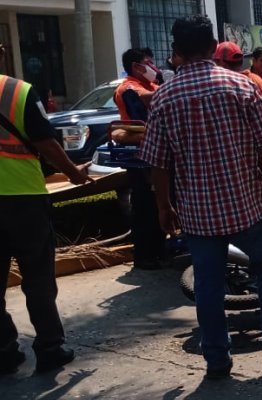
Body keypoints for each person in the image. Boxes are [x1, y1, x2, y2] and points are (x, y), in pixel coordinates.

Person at [138, 14, 262, 379]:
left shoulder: (164, 97)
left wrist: (164, 206)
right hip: (248, 206)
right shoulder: (242, 88)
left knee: (208, 287)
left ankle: (217, 360)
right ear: (213, 48)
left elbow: (158, 165)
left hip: (198, 215)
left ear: (176, 52)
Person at [0, 41, 93, 375]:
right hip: (22, 198)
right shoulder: (16, 91)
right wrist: (72, 172)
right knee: (38, 278)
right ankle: (50, 349)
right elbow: (45, 141)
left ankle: (4, 351)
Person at [113, 48, 168, 270]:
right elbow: (140, 114)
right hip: (140, 154)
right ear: (136, 66)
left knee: (158, 205)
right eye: (149, 62)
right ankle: (145, 255)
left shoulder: (149, 85)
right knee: (145, 206)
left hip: (153, 152)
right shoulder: (128, 88)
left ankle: (160, 250)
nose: (153, 66)